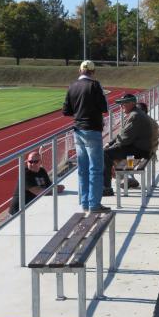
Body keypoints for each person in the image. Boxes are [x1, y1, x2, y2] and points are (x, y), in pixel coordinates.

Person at [62, 60, 110, 213]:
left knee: (82, 169)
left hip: (78, 130)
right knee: (96, 168)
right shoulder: (95, 85)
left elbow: (66, 111)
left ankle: (85, 203)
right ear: (93, 72)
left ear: (80, 70)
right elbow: (104, 108)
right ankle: (94, 204)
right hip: (92, 129)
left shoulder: (72, 86)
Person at [103, 93, 153, 195]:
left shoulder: (134, 116)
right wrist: (112, 144)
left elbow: (125, 139)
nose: (121, 106)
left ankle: (106, 187)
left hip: (139, 150)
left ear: (132, 103)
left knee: (105, 153)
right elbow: (125, 136)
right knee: (111, 153)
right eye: (121, 104)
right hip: (141, 148)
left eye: (124, 104)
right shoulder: (135, 113)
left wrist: (112, 146)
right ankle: (125, 178)